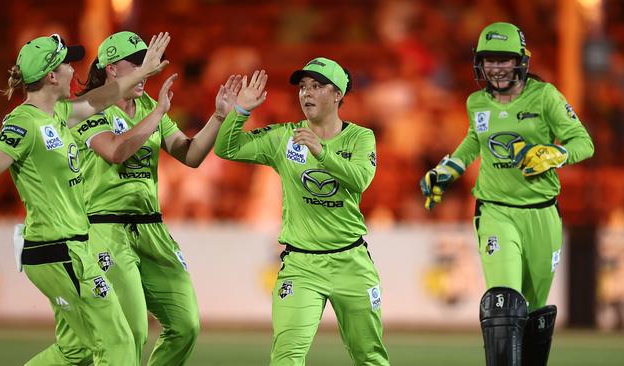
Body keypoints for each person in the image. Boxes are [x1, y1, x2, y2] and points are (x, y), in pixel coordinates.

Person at [0, 32, 170, 365]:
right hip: (56, 249)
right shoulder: (25, 122)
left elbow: (104, 97)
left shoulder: (60, 113)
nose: (73, 70)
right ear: (52, 75)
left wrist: (142, 72)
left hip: (70, 249)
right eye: (67, 63)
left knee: (75, 350)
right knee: (118, 340)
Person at [419, 22, 594, 366]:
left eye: (504, 59)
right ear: (479, 63)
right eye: (489, 60)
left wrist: (556, 154)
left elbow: (583, 143)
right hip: (496, 210)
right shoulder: (476, 103)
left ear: (521, 61)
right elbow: (474, 141)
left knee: (533, 311)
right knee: (505, 301)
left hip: (542, 214)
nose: (496, 67)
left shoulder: (545, 97)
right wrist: (448, 169)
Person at [69, 31, 242, 366]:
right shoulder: (87, 107)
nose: (146, 68)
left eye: (147, 61)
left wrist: (219, 116)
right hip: (106, 230)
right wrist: (159, 112)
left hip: (151, 228)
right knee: (130, 333)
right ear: (111, 69)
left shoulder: (148, 106)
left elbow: (189, 155)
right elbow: (116, 152)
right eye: (135, 63)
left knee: (186, 325)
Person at [214, 60, 390, 366]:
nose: (306, 93)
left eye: (317, 86)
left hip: (352, 263)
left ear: (337, 95)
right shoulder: (285, 137)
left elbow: (360, 179)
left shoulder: (361, 138)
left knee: (369, 357)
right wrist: (240, 112)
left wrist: (321, 151)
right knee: (286, 357)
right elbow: (226, 149)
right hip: (301, 266)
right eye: (303, 87)